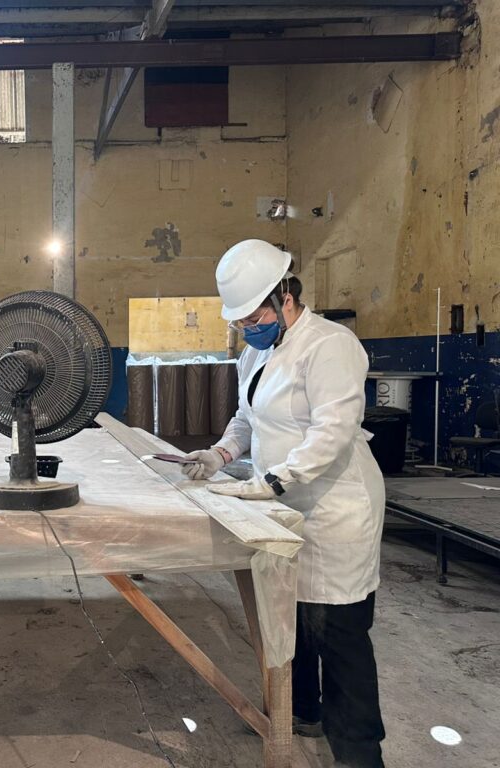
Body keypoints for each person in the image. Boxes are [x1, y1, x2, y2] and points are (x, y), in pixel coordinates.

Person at [181, 239, 386, 768]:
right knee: (293, 616)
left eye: (254, 318)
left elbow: (332, 432)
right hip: (283, 501)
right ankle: (303, 712)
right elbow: (247, 418)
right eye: (241, 322)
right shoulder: (257, 352)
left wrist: (273, 482)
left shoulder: (331, 346)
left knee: (338, 632)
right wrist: (220, 454)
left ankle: (359, 753)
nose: (247, 328)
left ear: (285, 297)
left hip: (334, 506)